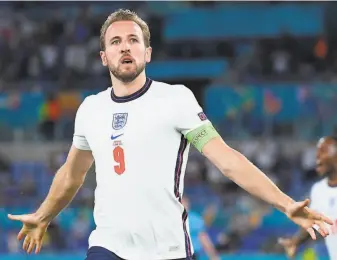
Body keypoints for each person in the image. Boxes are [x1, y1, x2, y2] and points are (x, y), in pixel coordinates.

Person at [8, 9, 332, 260]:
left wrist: (285, 203)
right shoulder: (90, 109)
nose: (125, 48)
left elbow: (227, 160)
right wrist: (43, 215)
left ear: (147, 53)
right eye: (116, 42)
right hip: (108, 247)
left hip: (168, 249)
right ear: (103, 56)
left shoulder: (175, 99)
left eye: (134, 40)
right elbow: (71, 174)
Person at [279, 136, 337, 260]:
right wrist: (295, 241)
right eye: (317, 151)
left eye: (323, 150)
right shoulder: (318, 190)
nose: (317, 156)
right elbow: (315, 224)